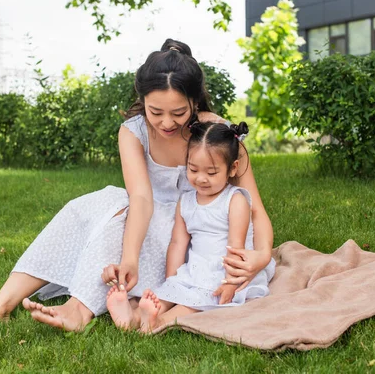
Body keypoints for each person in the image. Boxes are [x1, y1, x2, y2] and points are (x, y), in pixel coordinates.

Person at [0, 39, 274, 342]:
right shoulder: (133, 132)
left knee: (124, 219)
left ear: (194, 101)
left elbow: (253, 207)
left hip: (192, 229)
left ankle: (79, 309)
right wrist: (129, 257)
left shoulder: (217, 136)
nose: (167, 123)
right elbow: (141, 199)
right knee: (98, 207)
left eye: (179, 113)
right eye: (155, 112)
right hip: (149, 216)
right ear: (142, 100)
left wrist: (261, 255)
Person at [106, 121, 274, 333]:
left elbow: (236, 248)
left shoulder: (235, 200)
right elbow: (178, 243)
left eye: (211, 173)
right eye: (193, 170)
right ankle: (133, 318)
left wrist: (231, 283)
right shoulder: (186, 202)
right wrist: (171, 282)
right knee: (173, 293)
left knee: (195, 301)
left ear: (233, 169)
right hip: (197, 268)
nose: (201, 179)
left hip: (227, 271)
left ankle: (160, 322)